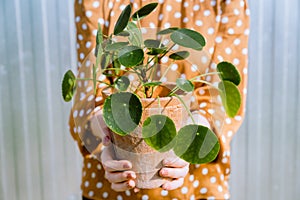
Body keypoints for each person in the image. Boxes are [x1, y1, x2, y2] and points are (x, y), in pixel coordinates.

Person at [69, 0, 250, 199]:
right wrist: (105, 137)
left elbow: (222, 91)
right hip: (110, 181)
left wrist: (189, 140)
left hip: (195, 186)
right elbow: (92, 85)